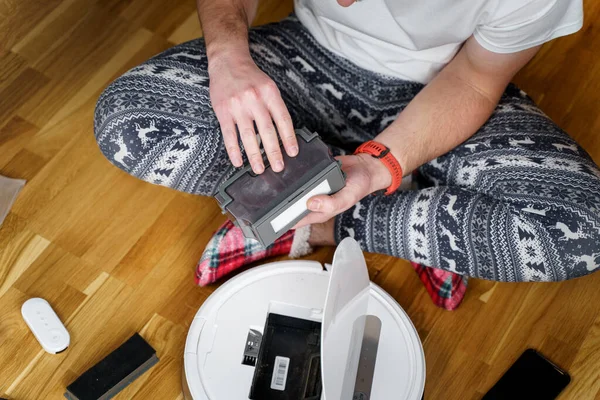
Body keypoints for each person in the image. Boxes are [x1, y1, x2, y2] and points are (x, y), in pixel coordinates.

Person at [94, 0, 600, 310]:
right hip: (306, 53)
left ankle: (311, 220)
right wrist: (229, 61)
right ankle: (419, 218)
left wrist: (383, 160)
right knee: (128, 121)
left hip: (442, 88)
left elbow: (475, 79)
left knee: (580, 231)